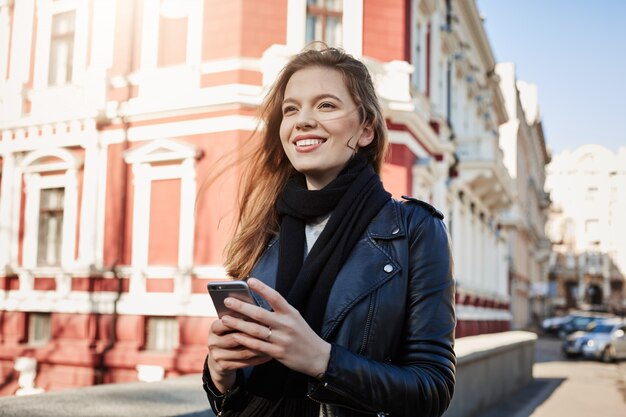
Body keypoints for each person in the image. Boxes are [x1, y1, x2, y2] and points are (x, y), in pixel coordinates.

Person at [202, 45, 456, 417]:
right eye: (291, 109)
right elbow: (234, 393)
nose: (302, 120)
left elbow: (432, 389)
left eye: (326, 106)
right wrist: (219, 374)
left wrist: (323, 360)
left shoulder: (414, 230)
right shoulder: (263, 230)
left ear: (366, 130)